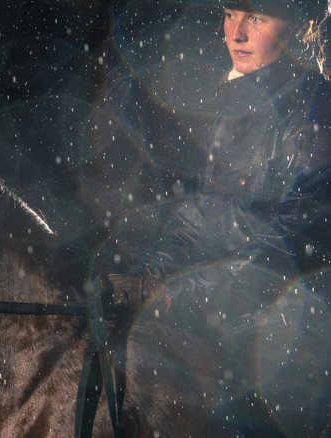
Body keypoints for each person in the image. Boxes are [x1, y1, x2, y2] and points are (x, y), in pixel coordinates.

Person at [107, 0, 331, 312]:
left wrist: (182, 295)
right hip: (215, 309)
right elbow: (200, 209)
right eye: (230, 15)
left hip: (275, 331)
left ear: (293, 26)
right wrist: (149, 276)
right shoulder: (235, 103)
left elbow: (289, 249)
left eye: (254, 18)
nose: (236, 34)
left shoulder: (316, 111)